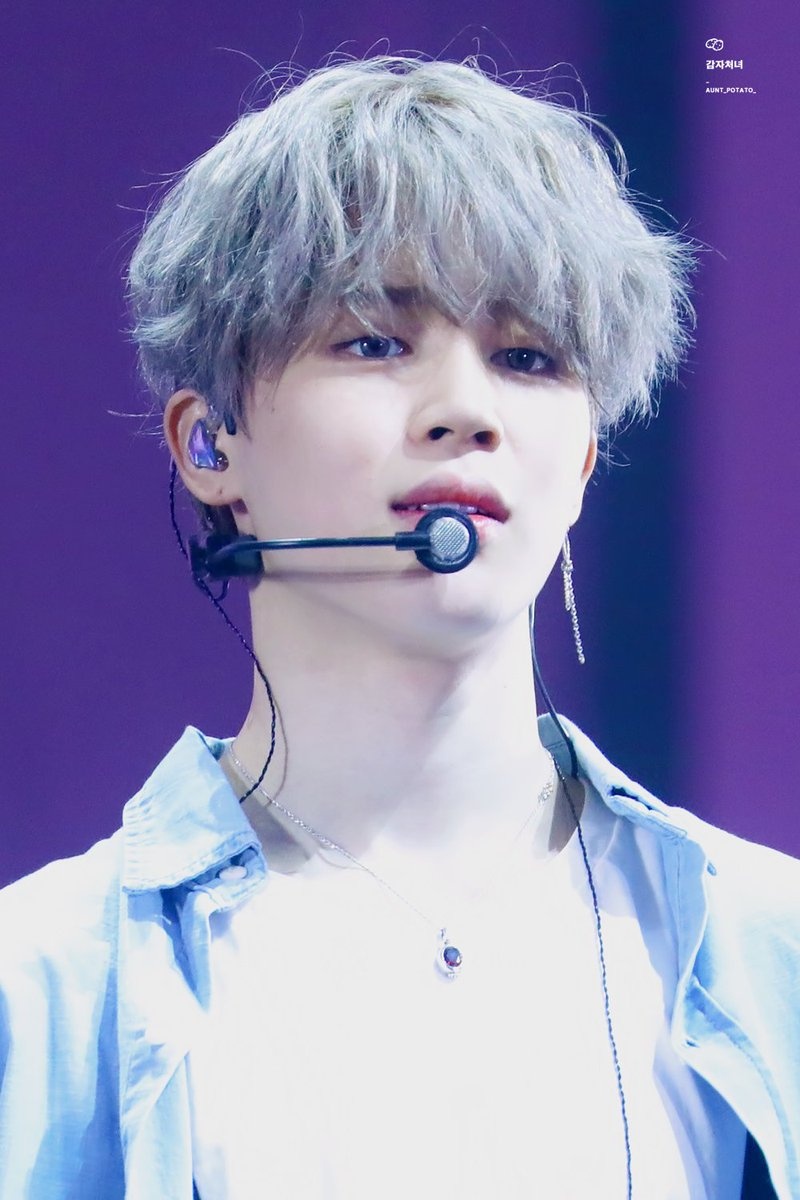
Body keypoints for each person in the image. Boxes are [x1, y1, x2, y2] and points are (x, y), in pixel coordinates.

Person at [0, 55, 797, 1200]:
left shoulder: (768, 954)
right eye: (374, 341)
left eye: (526, 358)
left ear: (581, 463)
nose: (465, 410)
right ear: (210, 444)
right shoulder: (42, 990)